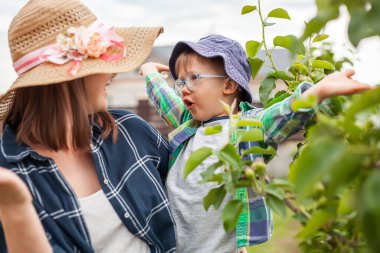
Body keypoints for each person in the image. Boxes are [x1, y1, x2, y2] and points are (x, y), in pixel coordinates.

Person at [140, 34, 371, 253]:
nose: (184, 89)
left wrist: (315, 93)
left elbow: (281, 114)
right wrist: (150, 73)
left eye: (194, 78)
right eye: (181, 82)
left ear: (229, 86)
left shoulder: (246, 127)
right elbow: (166, 101)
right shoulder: (190, 126)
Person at [0, 0, 176, 252]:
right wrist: (16, 209)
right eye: (100, 63)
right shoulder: (7, 175)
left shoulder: (132, 132)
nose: (111, 73)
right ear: (65, 80)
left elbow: (188, 191)